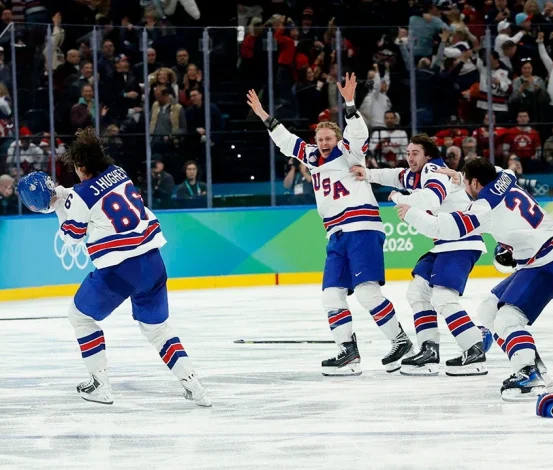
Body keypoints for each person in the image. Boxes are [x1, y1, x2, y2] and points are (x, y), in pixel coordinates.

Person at [15, 129, 209, 407]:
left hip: (119, 269)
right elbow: (97, 198)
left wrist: (56, 205)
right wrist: (64, 195)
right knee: (158, 331)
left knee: (79, 317)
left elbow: (71, 234)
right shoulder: (118, 173)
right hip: (153, 262)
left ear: (81, 166)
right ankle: (195, 387)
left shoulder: (81, 195)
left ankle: (100, 385)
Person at [246, 74, 413, 376]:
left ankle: (400, 340)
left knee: (366, 293)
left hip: (361, 226)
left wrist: (349, 103)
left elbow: (358, 131)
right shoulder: (311, 156)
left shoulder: (350, 152)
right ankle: (347, 352)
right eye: (320, 139)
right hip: (336, 234)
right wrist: (262, 114)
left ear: (337, 140)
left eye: (328, 139)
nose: (323, 143)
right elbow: (285, 141)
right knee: (330, 295)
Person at [397, 159, 553, 400]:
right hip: (545, 259)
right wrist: (460, 178)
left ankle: (529, 374)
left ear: (476, 182)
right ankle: (533, 363)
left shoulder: (483, 208)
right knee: (488, 310)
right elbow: (502, 171)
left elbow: (444, 228)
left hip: (545, 264)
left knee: (506, 319)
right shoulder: (505, 176)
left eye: (467, 181)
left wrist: (412, 214)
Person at [351, 135, 489, 377]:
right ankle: (429, 350)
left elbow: (430, 198)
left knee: (443, 297)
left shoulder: (435, 171)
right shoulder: (415, 174)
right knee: (418, 291)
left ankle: (474, 350)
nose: (409, 157)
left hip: (460, 241)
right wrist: (368, 174)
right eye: (408, 152)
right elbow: (393, 175)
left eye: (415, 153)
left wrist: (398, 197)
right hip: (445, 244)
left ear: (428, 156)